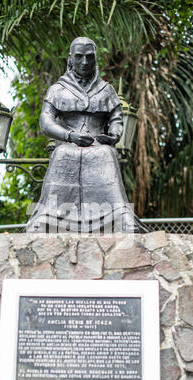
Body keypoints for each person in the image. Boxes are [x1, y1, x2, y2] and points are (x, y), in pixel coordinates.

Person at [26, 37, 148, 234]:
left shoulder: (107, 90)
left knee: (106, 154)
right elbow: (45, 122)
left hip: (98, 144)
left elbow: (116, 118)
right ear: (70, 59)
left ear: (95, 59)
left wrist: (113, 136)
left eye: (89, 57)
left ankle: (119, 216)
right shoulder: (57, 90)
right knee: (62, 154)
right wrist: (70, 136)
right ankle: (48, 217)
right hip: (68, 144)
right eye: (79, 57)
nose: (84, 62)